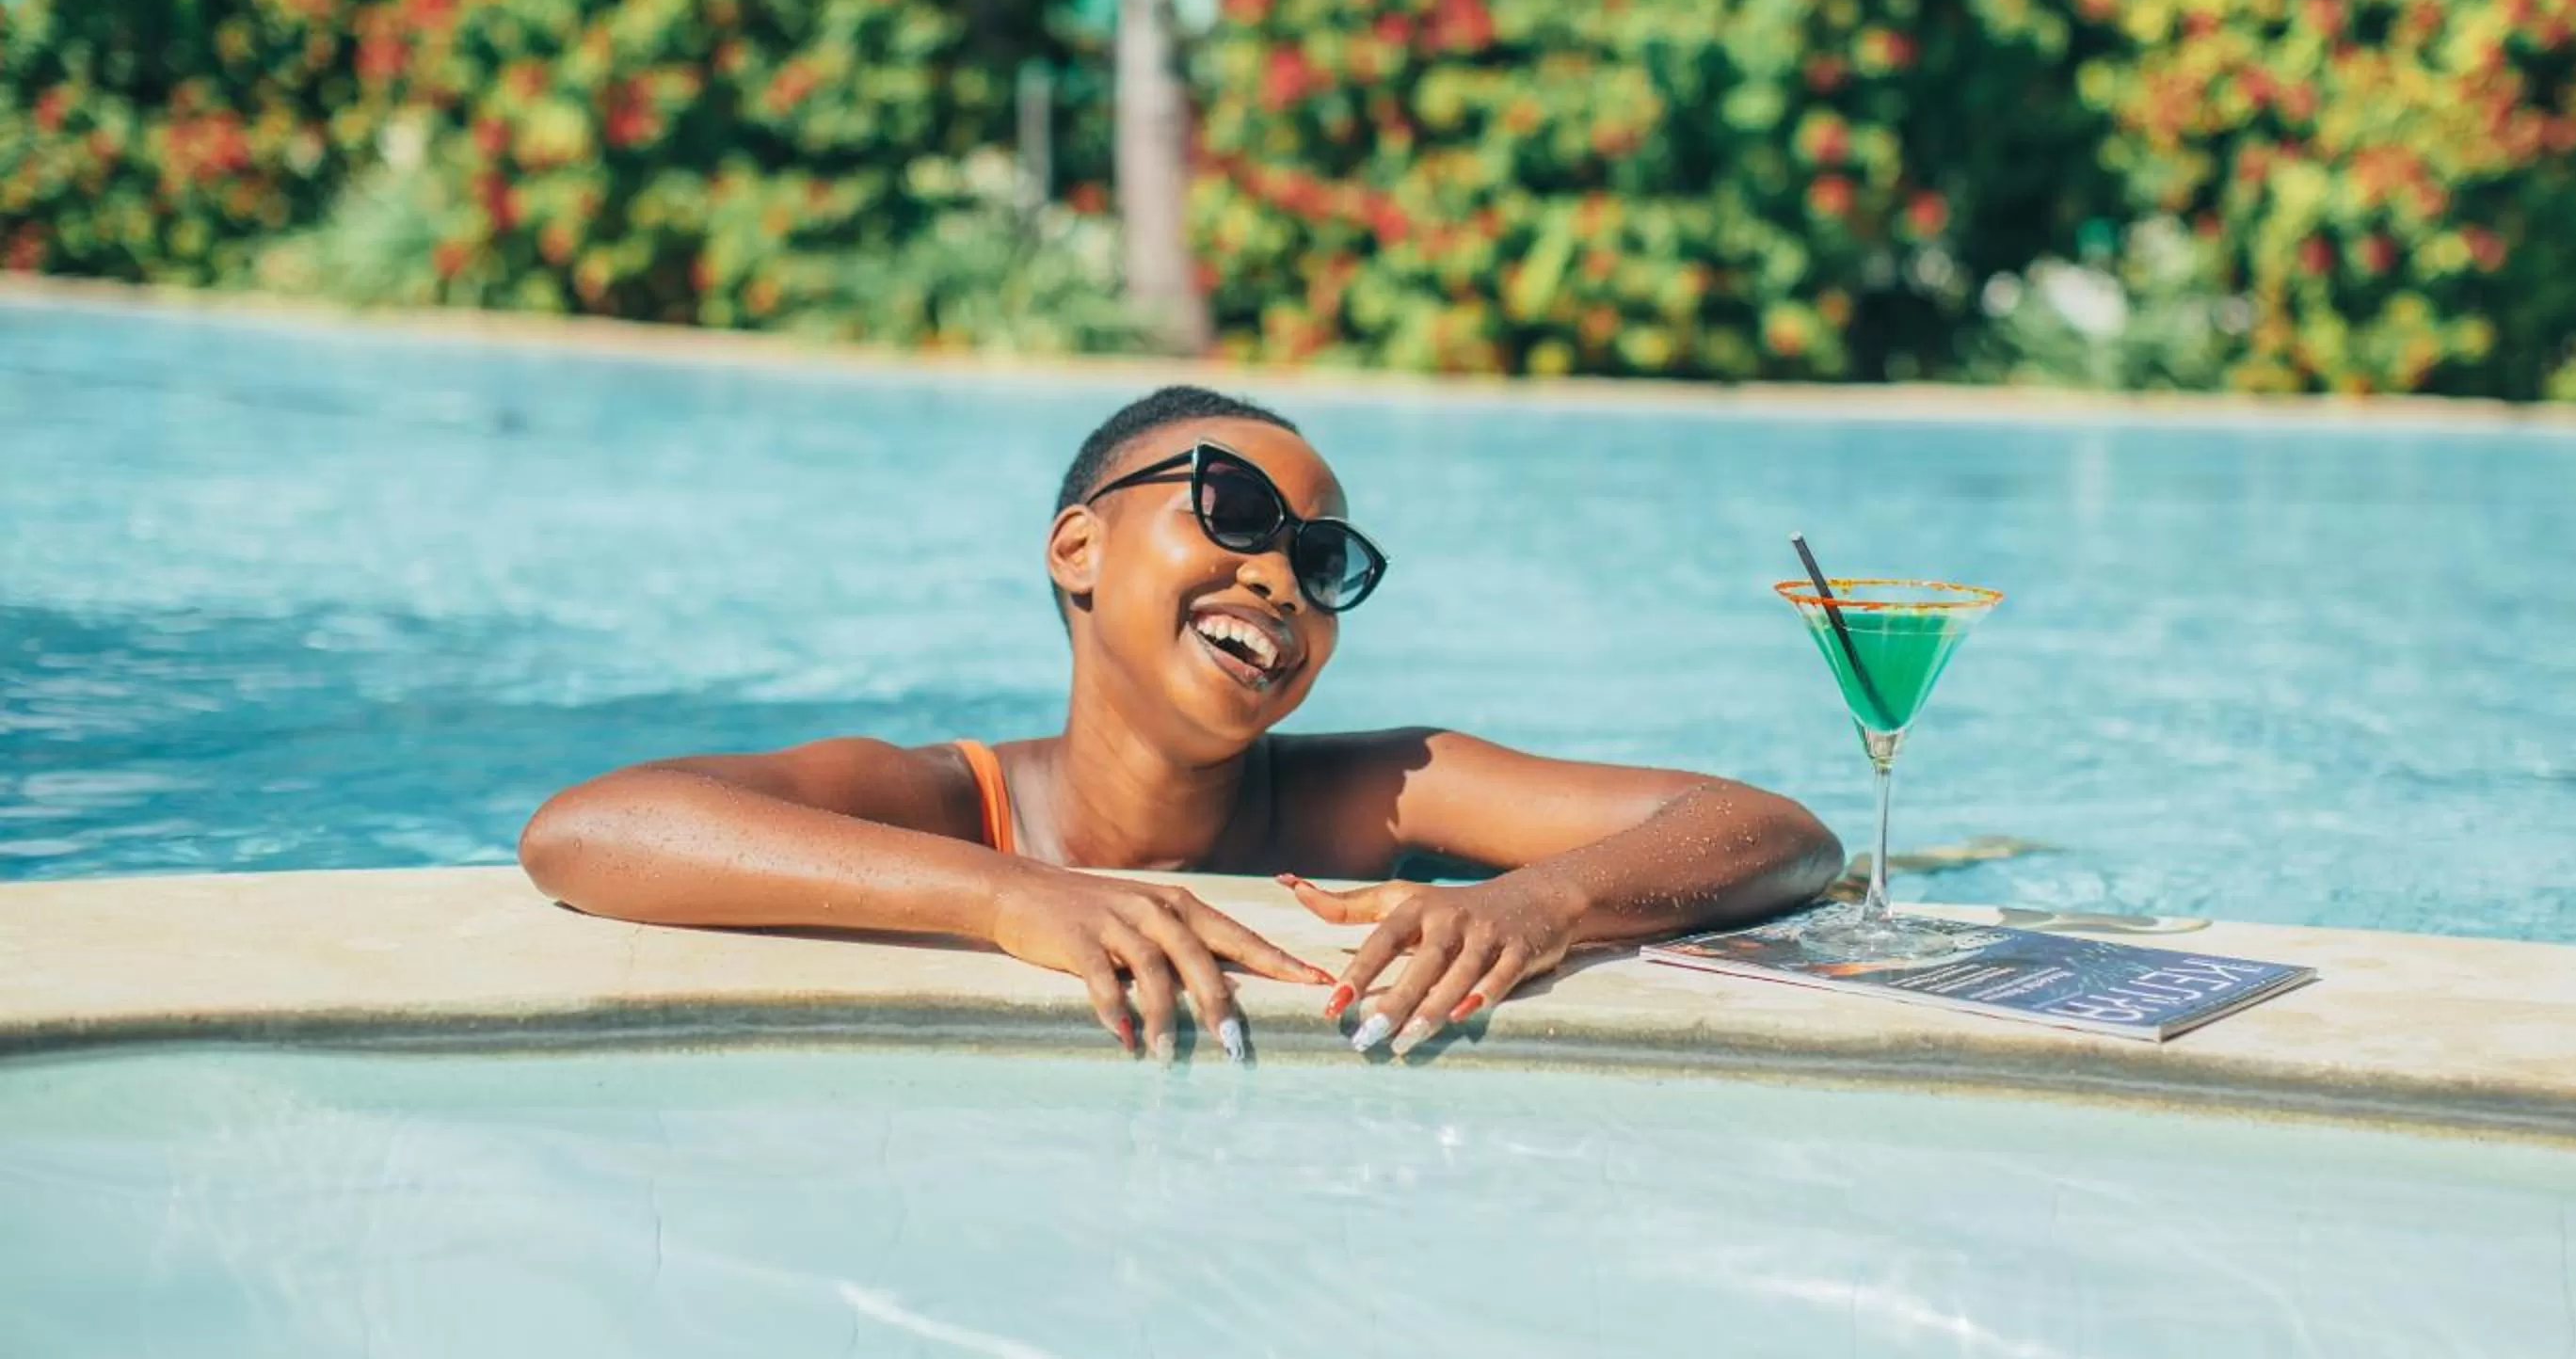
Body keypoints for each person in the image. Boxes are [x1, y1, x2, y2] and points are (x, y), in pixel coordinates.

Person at [520, 386, 1841, 1063]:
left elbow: (1770, 831)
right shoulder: (945, 804)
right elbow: (589, 831)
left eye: (1323, 562)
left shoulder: (1369, 797)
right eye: (1233, 508)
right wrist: (1011, 899)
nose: (1279, 573)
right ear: (1078, 548)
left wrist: (1540, 904)